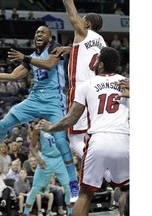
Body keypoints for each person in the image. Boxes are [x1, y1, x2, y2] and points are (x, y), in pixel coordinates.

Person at [0, 25, 79, 202]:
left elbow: (49, 64)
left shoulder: (55, 48)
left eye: (43, 32)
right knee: (3, 124)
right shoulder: (31, 57)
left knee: (60, 141)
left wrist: (25, 58)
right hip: (35, 98)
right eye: (37, 32)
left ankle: (73, 184)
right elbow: (14, 76)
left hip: (54, 101)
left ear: (49, 38)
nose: (39, 34)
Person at [37, 47, 129, 216]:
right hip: (124, 140)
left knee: (85, 194)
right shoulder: (127, 82)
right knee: (126, 190)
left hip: (98, 140)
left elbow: (71, 119)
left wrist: (51, 127)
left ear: (100, 65)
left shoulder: (87, 85)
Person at [53, 0, 106, 162]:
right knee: (92, 135)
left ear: (87, 24)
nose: (79, 20)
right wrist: (69, 49)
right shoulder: (102, 42)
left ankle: (104, 173)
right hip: (97, 90)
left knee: (75, 140)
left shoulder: (83, 31)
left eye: (82, 19)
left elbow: (70, 10)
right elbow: (88, 53)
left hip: (80, 90)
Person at [23, 121, 73, 216]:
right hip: (46, 159)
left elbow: (68, 141)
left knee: (68, 187)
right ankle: (25, 213)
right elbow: (32, 147)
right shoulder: (38, 128)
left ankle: (70, 213)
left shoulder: (61, 124)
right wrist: (38, 158)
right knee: (35, 189)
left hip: (60, 158)